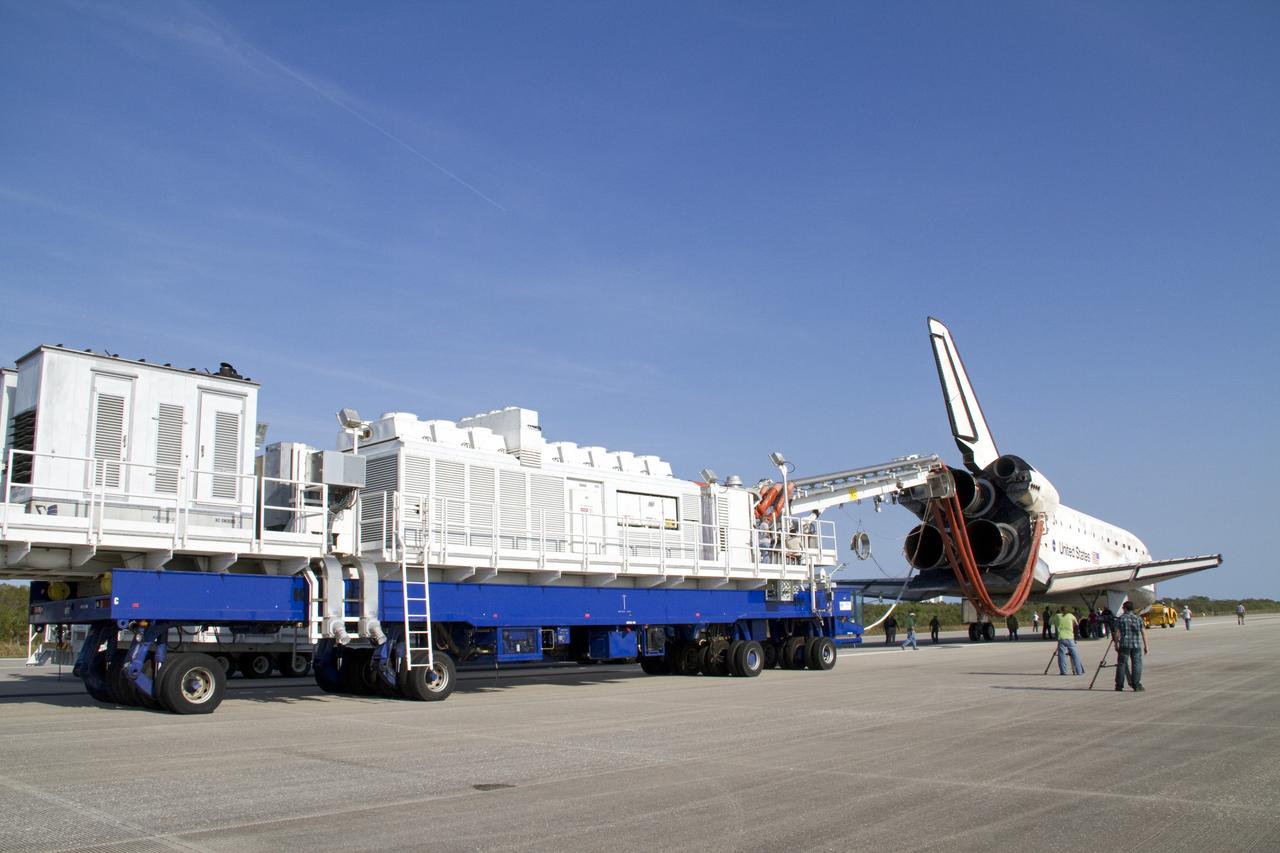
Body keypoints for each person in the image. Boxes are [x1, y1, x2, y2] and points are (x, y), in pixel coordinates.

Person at [1112, 600, 1148, 691]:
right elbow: (1143, 633)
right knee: (1137, 664)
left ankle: (1119, 685)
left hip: (1124, 644)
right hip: (1136, 645)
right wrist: (1146, 645)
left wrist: (1116, 644)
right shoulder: (1138, 618)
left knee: (1122, 664)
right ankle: (1136, 684)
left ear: (1125, 608)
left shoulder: (1120, 618)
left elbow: (1117, 633)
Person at [1053, 607, 1085, 675]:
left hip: (1061, 638)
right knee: (1075, 655)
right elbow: (1076, 624)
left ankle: (1063, 671)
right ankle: (1079, 671)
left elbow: (1051, 623)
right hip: (1070, 637)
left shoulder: (1057, 616)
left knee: (1061, 655)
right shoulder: (1071, 615)